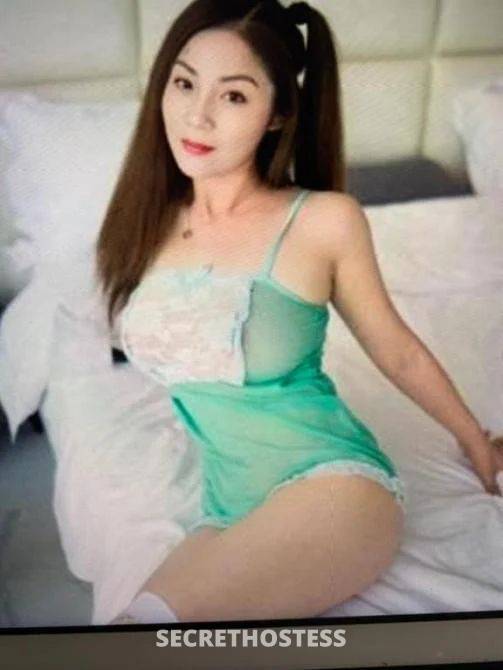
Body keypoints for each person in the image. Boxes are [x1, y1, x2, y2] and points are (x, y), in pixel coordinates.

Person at [95, 0, 503, 624]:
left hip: (334, 485)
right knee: (130, 633)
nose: (197, 115)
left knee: (146, 636)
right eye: (184, 83)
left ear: (278, 113)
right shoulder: (143, 226)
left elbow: (396, 350)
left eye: (234, 96)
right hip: (228, 510)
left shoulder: (321, 220)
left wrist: (476, 443)